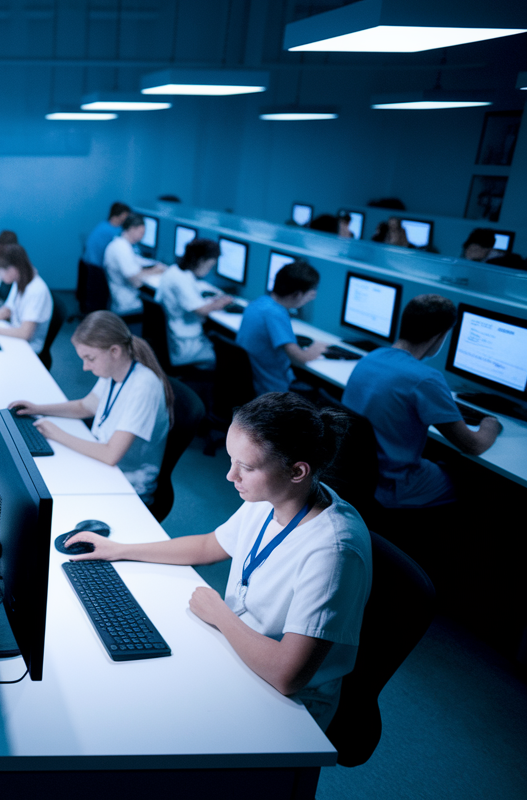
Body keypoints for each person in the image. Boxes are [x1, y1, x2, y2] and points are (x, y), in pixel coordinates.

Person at [64, 392, 370, 731]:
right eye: (231, 460)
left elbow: (288, 676)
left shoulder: (333, 551)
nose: (230, 476)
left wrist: (220, 615)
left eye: (246, 467)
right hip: (236, 645)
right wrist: (119, 549)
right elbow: (210, 545)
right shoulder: (273, 496)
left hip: (289, 703)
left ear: (297, 470)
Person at [342, 294, 501, 509]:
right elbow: (472, 445)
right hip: (396, 484)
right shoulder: (425, 378)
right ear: (440, 336)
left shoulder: (372, 357)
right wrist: (490, 424)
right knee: (473, 482)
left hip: (357, 473)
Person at [7, 311, 171, 503]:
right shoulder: (115, 371)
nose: (85, 367)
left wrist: (55, 433)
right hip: (100, 460)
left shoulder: (144, 386)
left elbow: (111, 455)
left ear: (115, 352)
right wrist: (38, 408)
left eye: (90, 358)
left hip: (127, 483)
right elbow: (85, 407)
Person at [236, 260, 325, 396]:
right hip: (270, 390)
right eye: (310, 293)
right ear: (298, 295)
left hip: (249, 383)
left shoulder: (259, 303)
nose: (313, 297)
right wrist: (318, 348)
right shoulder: (276, 314)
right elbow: (299, 358)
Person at [155, 238, 235, 368]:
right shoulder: (181, 279)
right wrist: (223, 302)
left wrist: (211, 301)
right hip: (185, 344)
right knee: (228, 357)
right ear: (201, 261)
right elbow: (201, 310)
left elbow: (192, 301)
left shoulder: (174, 271)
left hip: (177, 336)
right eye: (210, 266)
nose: (209, 270)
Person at [103, 213, 167, 318]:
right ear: (132, 229)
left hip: (120, 296)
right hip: (127, 302)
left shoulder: (120, 244)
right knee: (159, 306)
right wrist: (155, 271)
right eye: (141, 233)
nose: (143, 236)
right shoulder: (122, 248)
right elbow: (134, 279)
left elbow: (134, 263)